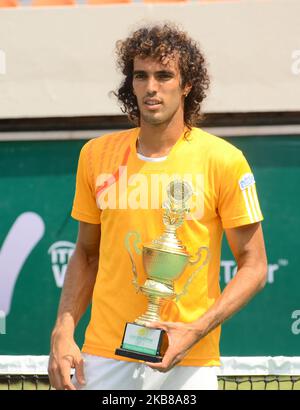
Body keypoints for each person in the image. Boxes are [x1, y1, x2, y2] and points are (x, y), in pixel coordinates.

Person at [48, 23, 267, 390]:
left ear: (187, 85)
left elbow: (255, 265)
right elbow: (86, 254)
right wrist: (63, 329)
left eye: (165, 75)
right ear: (130, 84)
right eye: (141, 75)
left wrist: (194, 330)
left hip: (186, 358)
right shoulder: (95, 155)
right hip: (104, 355)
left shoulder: (225, 160)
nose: (151, 87)